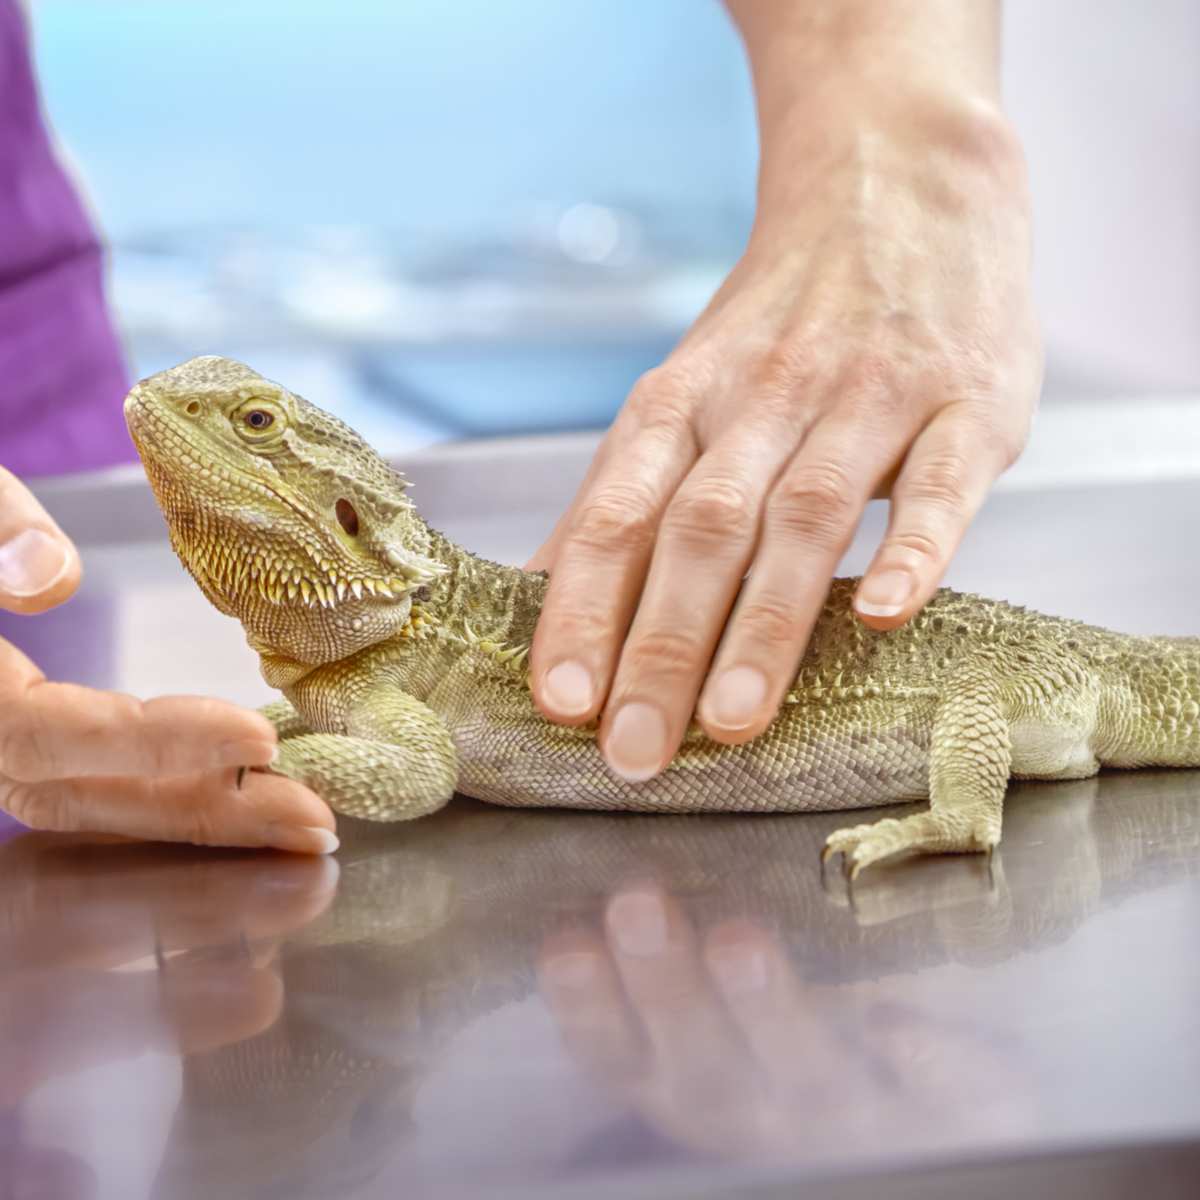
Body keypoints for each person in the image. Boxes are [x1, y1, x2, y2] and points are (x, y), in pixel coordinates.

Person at [0, 0, 1041, 849]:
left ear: (353, 522)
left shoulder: (393, 655)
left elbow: (407, 767)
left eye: (257, 424)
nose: (206, 425)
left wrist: (912, 133)